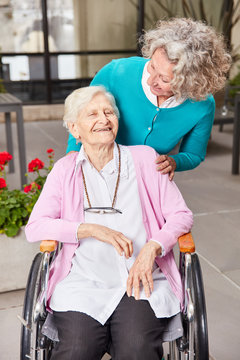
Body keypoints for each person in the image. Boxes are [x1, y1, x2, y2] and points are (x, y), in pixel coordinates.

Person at [25, 86, 193, 360]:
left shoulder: (144, 158)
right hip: (83, 282)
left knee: (136, 348)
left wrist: (153, 246)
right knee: (76, 350)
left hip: (140, 282)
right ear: (75, 129)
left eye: (108, 112)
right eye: (92, 114)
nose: (103, 119)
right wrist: (89, 229)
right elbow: (36, 227)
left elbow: (181, 215)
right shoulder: (65, 170)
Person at [67, 17, 231, 180]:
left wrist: (174, 162)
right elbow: (78, 116)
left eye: (164, 79)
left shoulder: (202, 105)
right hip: (96, 171)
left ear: (190, 81)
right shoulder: (115, 72)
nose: (150, 80)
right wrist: (72, 158)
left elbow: (193, 154)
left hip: (146, 181)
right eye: (152, 66)